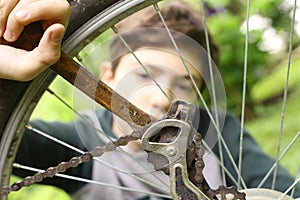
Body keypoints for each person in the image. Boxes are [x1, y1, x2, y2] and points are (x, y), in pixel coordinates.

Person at [1, 0, 299, 199]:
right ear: (108, 76)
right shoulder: (82, 142)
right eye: (144, 75)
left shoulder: (217, 132)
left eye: (184, 84)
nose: (161, 98)